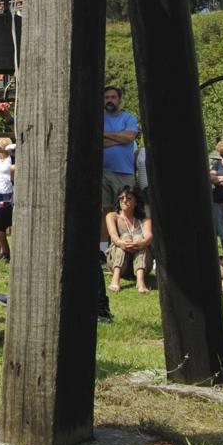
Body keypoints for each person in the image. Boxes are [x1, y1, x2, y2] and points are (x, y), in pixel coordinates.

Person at [100, 86, 139, 243]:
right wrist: (119, 137)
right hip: (102, 171)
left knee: (127, 210)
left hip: (124, 172)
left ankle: (129, 245)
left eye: (113, 97)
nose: (110, 100)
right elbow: (95, 141)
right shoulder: (99, 117)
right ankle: (103, 250)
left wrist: (106, 136)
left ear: (119, 99)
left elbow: (129, 137)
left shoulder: (129, 118)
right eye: (107, 97)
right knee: (105, 211)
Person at [105, 185, 153, 293]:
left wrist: (140, 243)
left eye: (129, 198)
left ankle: (140, 282)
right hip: (117, 260)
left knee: (139, 238)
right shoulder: (112, 216)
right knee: (125, 237)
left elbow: (149, 236)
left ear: (136, 201)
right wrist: (122, 243)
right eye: (122, 198)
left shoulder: (144, 219)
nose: (124, 201)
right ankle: (115, 280)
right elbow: (113, 236)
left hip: (143, 264)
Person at [0, 138, 15, 262]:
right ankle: (1, 251)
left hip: (7, 191)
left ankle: (6, 252)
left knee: (6, 219)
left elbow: (12, 172)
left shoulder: (10, 159)